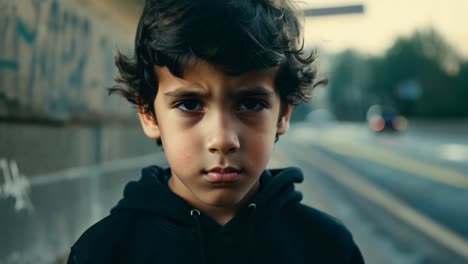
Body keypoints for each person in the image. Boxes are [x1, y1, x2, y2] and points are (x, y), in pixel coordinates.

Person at [67, 0, 364, 263]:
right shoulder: (104, 252)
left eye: (250, 103)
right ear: (149, 114)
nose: (222, 139)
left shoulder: (327, 248)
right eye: (189, 104)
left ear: (282, 114)